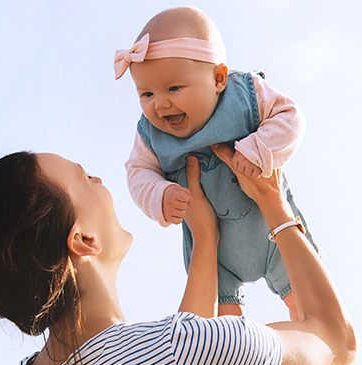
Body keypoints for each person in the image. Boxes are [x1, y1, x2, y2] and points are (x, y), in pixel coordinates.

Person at [0, 144, 355, 365]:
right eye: (85, 178)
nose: (100, 180)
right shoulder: (189, 354)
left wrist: (205, 240)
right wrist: (274, 205)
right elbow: (336, 342)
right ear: (82, 240)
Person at [120, 6, 315, 319]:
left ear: (219, 78)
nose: (160, 103)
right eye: (146, 94)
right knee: (223, 330)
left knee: (307, 307)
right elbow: (138, 172)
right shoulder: (150, 136)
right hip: (216, 255)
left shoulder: (245, 94)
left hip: (274, 232)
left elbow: (290, 117)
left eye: (174, 88)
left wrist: (259, 148)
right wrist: (160, 195)